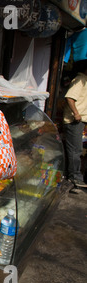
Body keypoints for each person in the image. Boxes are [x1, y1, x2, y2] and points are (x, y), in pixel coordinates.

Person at [63, 59, 87, 188]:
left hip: (80, 120)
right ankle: (75, 177)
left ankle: (74, 175)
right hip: (74, 120)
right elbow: (70, 97)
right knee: (75, 150)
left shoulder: (84, 80)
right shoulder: (80, 80)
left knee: (77, 149)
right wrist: (76, 113)